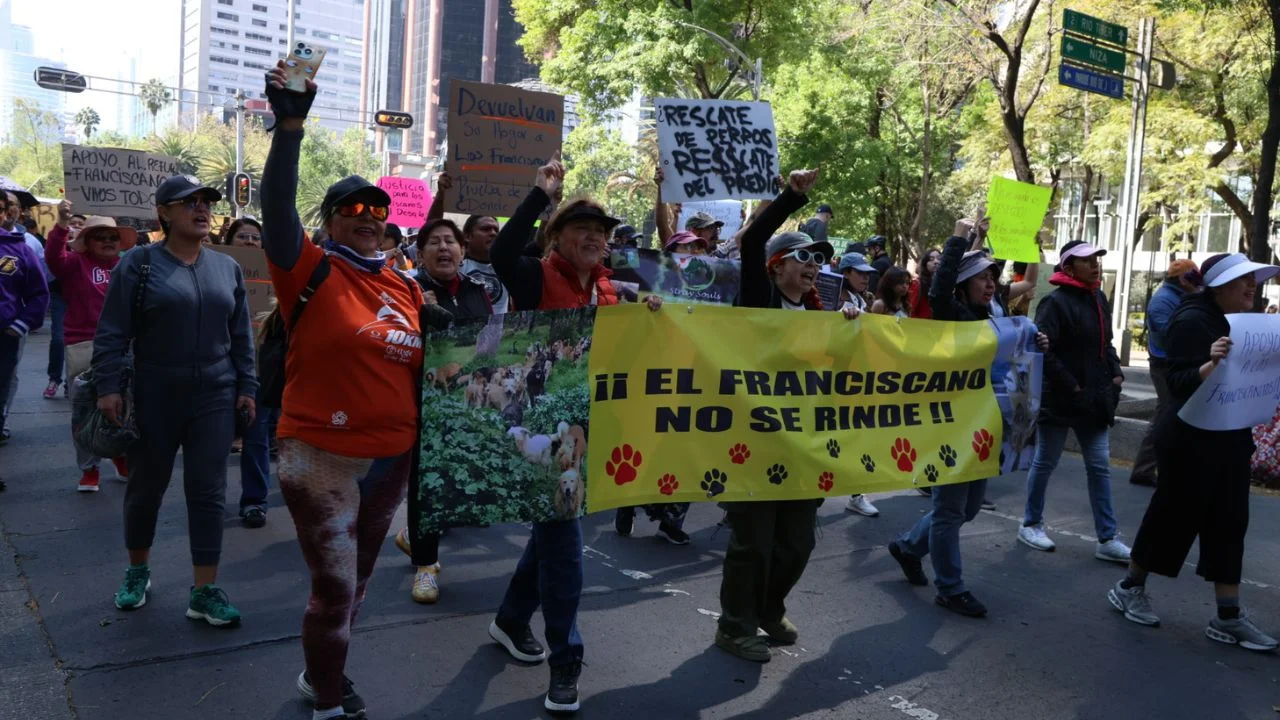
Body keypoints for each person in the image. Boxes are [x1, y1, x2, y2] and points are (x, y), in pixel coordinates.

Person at [262, 63, 426, 720]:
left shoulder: (406, 286)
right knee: (332, 588)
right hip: (318, 453)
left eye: (378, 211)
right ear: (330, 222)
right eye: (353, 209)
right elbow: (276, 207)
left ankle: (320, 672)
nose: (369, 217)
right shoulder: (307, 267)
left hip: (392, 456)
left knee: (356, 584)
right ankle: (328, 703)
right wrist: (289, 128)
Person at [487, 152, 665, 715]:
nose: (594, 237)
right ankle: (566, 661)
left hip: (594, 427)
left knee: (552, 531)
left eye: (601, 231)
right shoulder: (535, 277)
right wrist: (540, 195)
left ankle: (510, 619)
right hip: (545, 427)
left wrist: (652, 312)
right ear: (556, 237)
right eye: (582, 228)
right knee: (564, 541)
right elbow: (500, 253)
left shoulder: (614, 291)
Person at [93, 174, 256, 625]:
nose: (201, 209)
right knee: (146, 489)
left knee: (208, 491)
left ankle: (204, 591)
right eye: (189, 202)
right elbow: (112, 331)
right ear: (163, 213)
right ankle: (137, 571)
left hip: (215, 395)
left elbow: (242, 336)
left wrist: (247, 387)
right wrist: (108, 387)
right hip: (155, 393)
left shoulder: (227, 267)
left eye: (206, 202)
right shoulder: (139, 264)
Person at [716, 167, 862, 664]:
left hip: (803, 446)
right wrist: (790, 196)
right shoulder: (757, 301)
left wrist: (850, 331)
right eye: (803, 257)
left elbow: (841, 375)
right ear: (776, 267)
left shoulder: (824, 317)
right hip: (754, 442)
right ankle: (735, 626)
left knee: (797, 544)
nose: (813, 266)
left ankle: (768, 609)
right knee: (753, 543)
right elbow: (753, 239)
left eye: (820, 259)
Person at [1107, 253, 1280, 651]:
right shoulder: (1191, 320)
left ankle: (1228, 616)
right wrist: (1209, 364)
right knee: (1172, 517)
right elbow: (1178, 382)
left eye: (1254, 279)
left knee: (1230, 523)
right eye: (1243, 280)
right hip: (1189, 439)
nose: (1252, 286)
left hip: (1231, 437)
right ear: (1218, 287)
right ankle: (1129, 587)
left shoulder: (1246, 324)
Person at [887, 221, 1049, 618]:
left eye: (993, 277)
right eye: (981, 278)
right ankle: (951, 588)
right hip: (951, 427)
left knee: (969, 509)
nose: (990, 283)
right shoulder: (954, 315)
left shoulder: (996, 314)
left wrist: (1036, 341)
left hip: (985, 427)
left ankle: (908, 547)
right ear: (963, 286)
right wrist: (959, 238)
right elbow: (938, 290)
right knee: (949, 511)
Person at [392, 217, 492, 604]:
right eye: (434, 242)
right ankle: (426, 565)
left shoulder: (477, 291)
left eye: (451, 241)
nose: (444, 248)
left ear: (463, 252)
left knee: (458, 475)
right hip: (422, 399)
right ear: (420, 253)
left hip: (467, 398)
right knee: (427, 481)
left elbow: (489, 339)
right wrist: (420, 315)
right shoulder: (407, 289)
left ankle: (413, 535)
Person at [1016, 240, 1131, 564]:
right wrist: (1073, 386)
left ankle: (1107, 538)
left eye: (1097, 259)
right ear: (1068, 267)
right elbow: (1044, 351)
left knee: (1099, 466)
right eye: (1087, 260)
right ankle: (1030, 524)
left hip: (1094, 400)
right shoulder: (1053, 303)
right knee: (1045, 461)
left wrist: (1115, 373)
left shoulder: (1099, 297)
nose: (1095, 265)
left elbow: (1106, 343)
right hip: (1060, 399)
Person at [45, 203, 134, 492]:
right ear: (87, 241)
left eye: (112, 237)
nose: (108, 241)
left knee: (123, 405)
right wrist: (61, 224)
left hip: (122, 347)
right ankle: (89, 468)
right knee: (84, 409)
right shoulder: (75, 264)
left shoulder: (127, 267)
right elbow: (53, 259)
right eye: (100, 237)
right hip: (83, 344)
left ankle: (119, 455)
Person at [1130, 259, 1202, 487]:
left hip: (1173, 364)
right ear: (1181, 278)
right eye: (1193, 276)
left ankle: (1153, 468)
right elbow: (1168, 335)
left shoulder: (1181, 295)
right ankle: (1146, 469)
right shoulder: (1164, 300)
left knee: (1169, 414)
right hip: (1164, 365)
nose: (1197, 281)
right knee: (1166, 415)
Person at [0, 190, 50, 446]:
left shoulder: (21, 248)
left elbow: (39, 293)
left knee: (4, 382)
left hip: (5, 335)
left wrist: (20, 325)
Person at [460, 213, 510, 314]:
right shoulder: (456, 267)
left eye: (496, 230)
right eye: (485, 229)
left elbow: (539, 245)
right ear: (468, 236)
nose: (493, 233)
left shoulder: (507, 267)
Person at [908, 248, 941, 319]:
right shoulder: (917, 283)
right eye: (931, 259)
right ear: (925, 264)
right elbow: (910, 310)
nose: (936, 261)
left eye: (939, 258)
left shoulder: (945, 283)